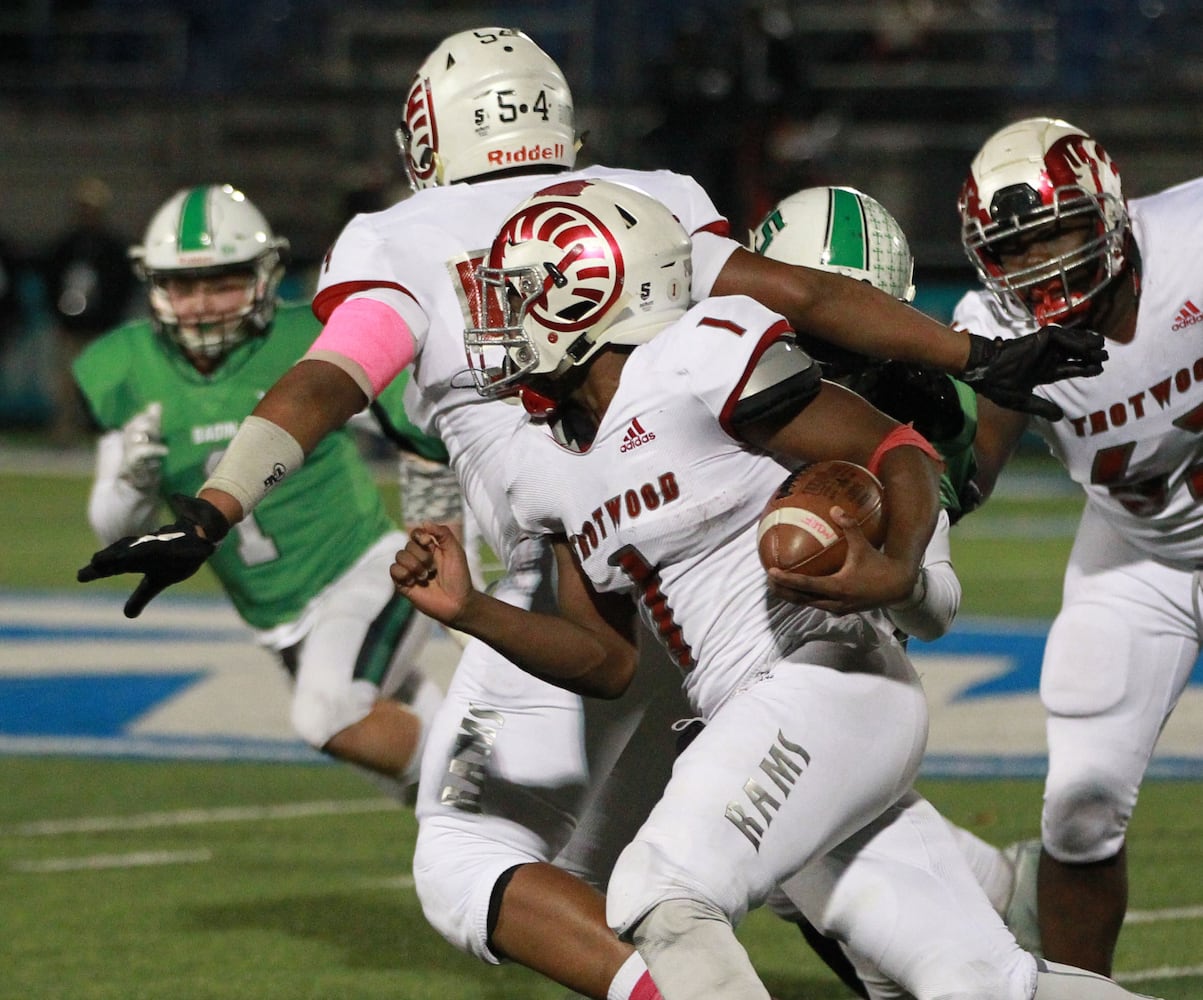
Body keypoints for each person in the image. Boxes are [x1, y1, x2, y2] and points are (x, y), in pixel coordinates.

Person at [76, 28, 1106, 1000]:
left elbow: (328, 380)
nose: (494, 323)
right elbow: (798, 294)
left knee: (525, 862)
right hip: (644, 581)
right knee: (866, 906)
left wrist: (214, 508)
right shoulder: (627, 231)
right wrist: (974, 357)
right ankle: (976, 883)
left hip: (709, 592)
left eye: (517, 300)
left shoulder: (508, 306)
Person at [390, 177, 1161, 1000]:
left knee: (659, 888)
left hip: (824, 677)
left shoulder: (696, 354)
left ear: (590, 291)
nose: (501, 319)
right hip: (759, 715)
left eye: (523, 293)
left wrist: (897, 566)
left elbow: (897, 448)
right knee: (984, 985)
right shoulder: (542, 462)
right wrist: (473, 611)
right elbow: (606, 662)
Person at [72, 183, 442, 798]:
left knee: (328, 715)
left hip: (362, 569)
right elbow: (113, 534)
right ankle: (505, 805)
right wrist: (133, 480)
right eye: (184, 286)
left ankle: (488, 799)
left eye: (223, 283)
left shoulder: (310, 336)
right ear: (154, 285)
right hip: (277, 616)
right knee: (407, 758)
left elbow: (424, 429)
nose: (202, 305)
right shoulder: (129, 363)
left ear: (265, 276)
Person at [952, 115, 1203, 977]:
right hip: (1144, 558)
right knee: (1078, 809)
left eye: (1053, 231)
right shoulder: (991, 321)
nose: (1036, 265)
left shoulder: (1195, 238)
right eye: (1012, 249)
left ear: (1107, 208)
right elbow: (973, 474)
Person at [45, 176, 137, 444]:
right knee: (66, 385)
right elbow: (51, 282)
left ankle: (106, 434)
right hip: (72, 330)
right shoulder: (66, 245)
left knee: (104, 385)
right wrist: (60, 317)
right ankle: (64, 433)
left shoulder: (112, 248)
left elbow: (123, 286)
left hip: (101, 330)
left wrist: (110, 319)